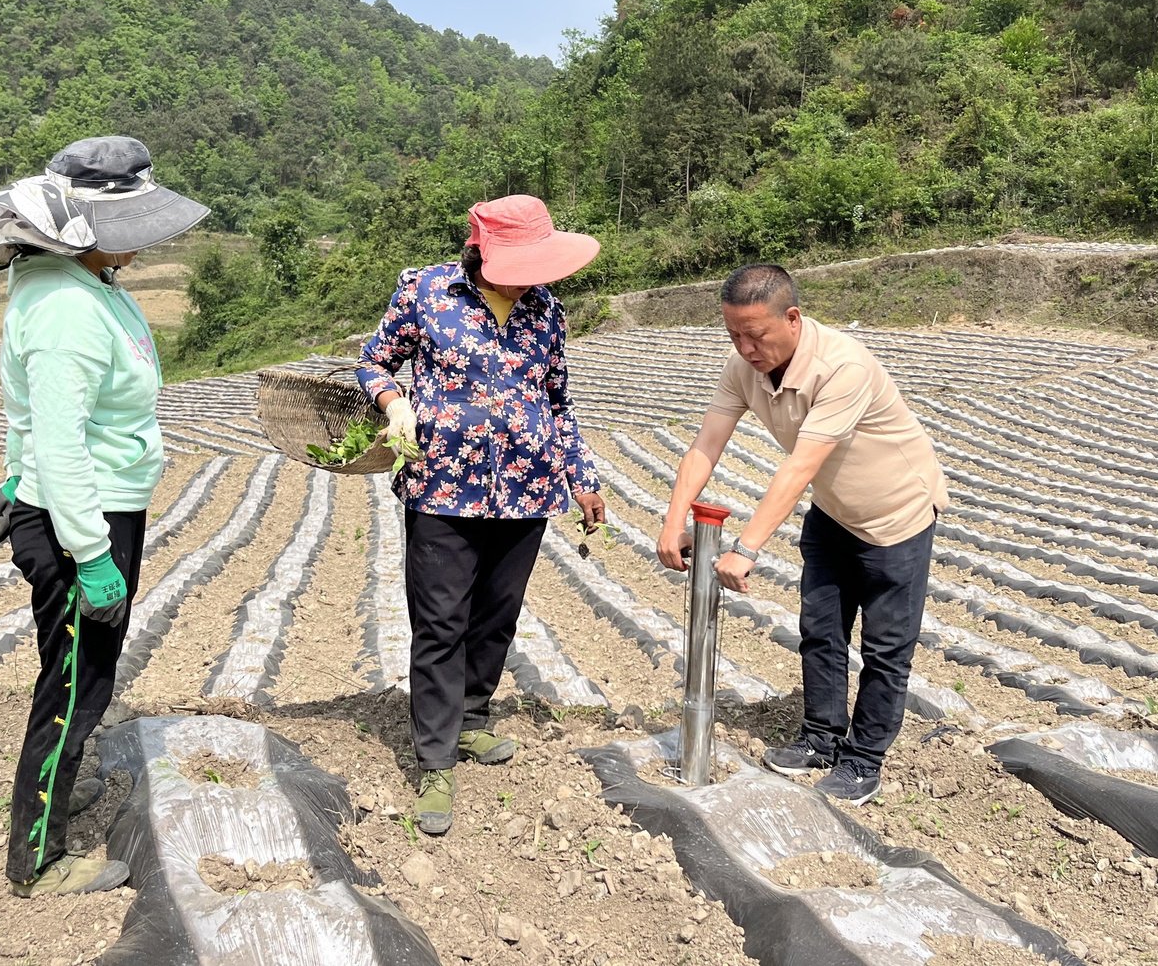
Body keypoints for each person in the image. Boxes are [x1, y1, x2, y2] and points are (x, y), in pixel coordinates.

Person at [0, 135, 212, 895]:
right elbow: (63, 440)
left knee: (72, 674)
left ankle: (59, 787)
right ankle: (37, 858)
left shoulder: (77, 282)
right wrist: (94, 555)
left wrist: (14, 473)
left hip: (84, 509)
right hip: (85, 522)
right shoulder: (69, 309)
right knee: (75, 687)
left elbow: (30, 414)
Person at [356, 194, 606, 835]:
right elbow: (373, 361)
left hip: (527, 488)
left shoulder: (547, 308)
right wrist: (393, 401)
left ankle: (470, 719)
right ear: (481, 251)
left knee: (496, 614)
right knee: (440, 622)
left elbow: (557, 402)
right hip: (441, 486)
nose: (532, 276)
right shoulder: (425, 291)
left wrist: (582, 478)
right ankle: (435, 761)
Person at [657, 265, 948, 806]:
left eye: (756, 335)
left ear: (792, 318)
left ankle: (864, 759)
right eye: (734, 336)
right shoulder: (743, 367)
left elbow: (799, 465)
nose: (745, 347)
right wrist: (674, 519)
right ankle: (821, 737)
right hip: (834, 514)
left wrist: (745, 549)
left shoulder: (843, 366)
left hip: (896, 517)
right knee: (820, 630)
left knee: (885, 648)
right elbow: (705, 445)